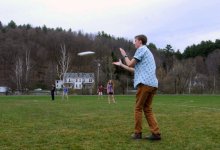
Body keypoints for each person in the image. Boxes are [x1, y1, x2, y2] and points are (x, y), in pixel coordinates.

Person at [113, 34, 161, 140]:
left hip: (145, 84)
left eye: (135, 41)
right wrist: (121, 65)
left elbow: (130, 64)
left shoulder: (141, 49)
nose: (134, 43)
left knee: (138, 108)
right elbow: (134, 69)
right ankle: (156, 133)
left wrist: (124, 55)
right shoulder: (147, 52)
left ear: (140, 41)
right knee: (147, 109)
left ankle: (137, 133)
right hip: (152, 84)